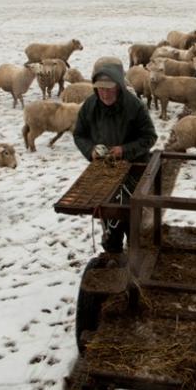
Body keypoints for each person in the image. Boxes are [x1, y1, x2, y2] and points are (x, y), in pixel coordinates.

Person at [73, 56, 157, 253]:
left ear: (119, 85)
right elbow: (79, 134)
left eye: (109, 88)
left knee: (131, 217)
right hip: (104, 172)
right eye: (100, 88)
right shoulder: (90, 106)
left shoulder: (134, 106)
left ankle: (136, 254)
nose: (104, 93)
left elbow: (149, 137)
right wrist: (91, 150)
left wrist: (124, 150)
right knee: (109, 215)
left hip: (132, 171)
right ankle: (113, 252)